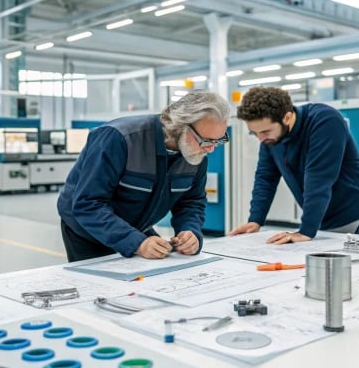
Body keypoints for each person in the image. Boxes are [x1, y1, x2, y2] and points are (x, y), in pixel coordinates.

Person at [57, 91, 230, 262]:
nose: (211, 149)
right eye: (206, 141)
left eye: (218, 141)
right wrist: (137, 243)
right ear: (181, 126)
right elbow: (87, 203)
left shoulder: (195, 155)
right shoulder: (119, 138)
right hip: (89, 230)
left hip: (137, 227)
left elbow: (191, 202)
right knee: (103, 288)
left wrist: (190, 231)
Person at [229, 87, 359, 244]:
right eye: (254, 133)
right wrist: (256, 220)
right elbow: (265, 178)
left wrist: (306, 231)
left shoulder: (324, 121)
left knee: (347, 266)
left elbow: (319, 178)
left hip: (351, 214)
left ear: (286, 117)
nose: (260, 139)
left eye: (265, 132)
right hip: (320, 218)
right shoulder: (270, 139)